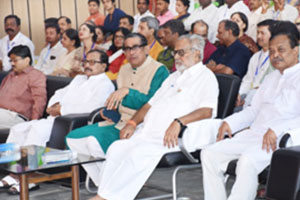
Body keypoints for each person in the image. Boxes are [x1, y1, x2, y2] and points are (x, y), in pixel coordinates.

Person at [88, 34, 219, 200]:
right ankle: (105, 193)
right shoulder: (173, 77)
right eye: (175, 52)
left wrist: (179, 122)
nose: (176, 57)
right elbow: (150, 105)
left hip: (175, 138)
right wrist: (132, 122)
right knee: (116, 149)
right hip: (148, 133)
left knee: (138, 153)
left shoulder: (206, 78)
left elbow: (207, 111)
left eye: (181, 53)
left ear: (197, 54)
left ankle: (107, 198)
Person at [201, 31, 300, 200]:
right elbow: (253, 111)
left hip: (281, 140)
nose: (275, 55)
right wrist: (229, 123)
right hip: (255, 135)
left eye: (281, 50)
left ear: (296, 50)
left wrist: (277, 130)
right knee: (209, 153)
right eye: (271, 51)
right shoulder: (270, 78)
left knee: (247, 161)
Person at [1, 49, 115, 193]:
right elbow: (59, 93)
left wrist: (62, 110)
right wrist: (53, 105)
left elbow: (92, 107)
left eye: (93, 62)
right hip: (54, 118)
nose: (87, 65)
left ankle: (29, 177)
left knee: (37, 130)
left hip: (69, 122)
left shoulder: (105, 84)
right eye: (86, 61)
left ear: (104, 66)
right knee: (18, 129)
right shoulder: (79, 78)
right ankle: (14, 173)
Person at [66, 33, 169, 187]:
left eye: (135, 48)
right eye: (127, 49)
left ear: (146, 49)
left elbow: (153, 103)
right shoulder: (124, 69)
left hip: (142, 125)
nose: (131, 52)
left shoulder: (159, 70)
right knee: (73, 139)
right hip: (119, 122)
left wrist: (128, 91)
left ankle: (112, 189)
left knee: (92, 142)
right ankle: (109, 187)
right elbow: (118, 100)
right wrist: (110, 111)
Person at [0, 45, 46, 129]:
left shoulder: (35, 75)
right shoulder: (10, 75)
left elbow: (40, 100)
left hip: (16, 116)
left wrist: (33, 123)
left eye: (15, 60)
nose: (12, 63)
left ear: (27, 60)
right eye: (11, 60)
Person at [237, 19, 275, 109]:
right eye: (257, 33)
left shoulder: (276, 57)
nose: (258, 36)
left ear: (273, 35)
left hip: (262, 99)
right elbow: (248, 79)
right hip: (247, 95)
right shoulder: (256, 56)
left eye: (262, 33)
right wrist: (239, 94)